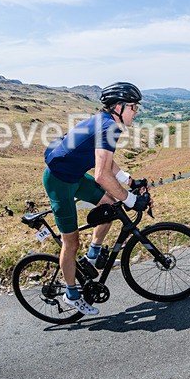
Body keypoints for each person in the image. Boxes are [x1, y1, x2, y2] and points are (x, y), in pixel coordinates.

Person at [43, 82, 150, 315]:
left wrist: (129, 181)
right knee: (71, 243)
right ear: (119, 107)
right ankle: (71, 294)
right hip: (59, 182)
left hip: (75, 176)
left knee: (110, 207)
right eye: (134, 107)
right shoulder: (109, 127)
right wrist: (131, 200)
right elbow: (101, 175)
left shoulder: (106, 122)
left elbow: (106, 160)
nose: (136, 112)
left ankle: (92, 257)